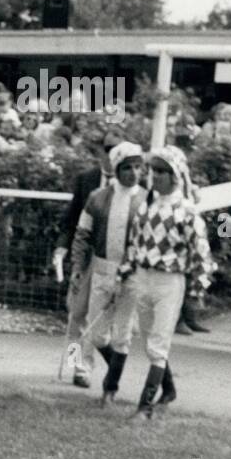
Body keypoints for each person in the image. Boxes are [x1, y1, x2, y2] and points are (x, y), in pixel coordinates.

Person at [115, 147, 214, 417]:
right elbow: (134, 245)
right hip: (143, 278)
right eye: (153, 170)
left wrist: (197, 289)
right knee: (148, 342)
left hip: (169, 281)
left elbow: (201, 254)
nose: (154, 176)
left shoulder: (188, 211)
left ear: (175, 175)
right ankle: (168, 391)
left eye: (161, 171)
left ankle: (144, 407)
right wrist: (124, 272)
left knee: (158, 343)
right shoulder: (147, 205)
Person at [68, 142, 146, 402]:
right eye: (127, 168)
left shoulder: (146, 199)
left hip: (130, 272)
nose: (133, 173)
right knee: (80, 318)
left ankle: (110, 380)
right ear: (115, 167)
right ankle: (77, 364)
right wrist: (76, 265)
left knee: (121, 331)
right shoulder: (96, 194)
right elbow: (80, 231)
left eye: (138, 167)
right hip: (97, 267)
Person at [53, 131, 123, 388]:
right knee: (77, 313)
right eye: (109, 149)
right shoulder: (86, 180)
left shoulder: (128, 187)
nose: (113, 155)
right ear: (100, 152)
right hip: (85, 256)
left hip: (112, 260)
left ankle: (89, 365)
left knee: (99, 318)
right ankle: (76, 365)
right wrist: (62, 247)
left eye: (118, 150)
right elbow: (70, 220)